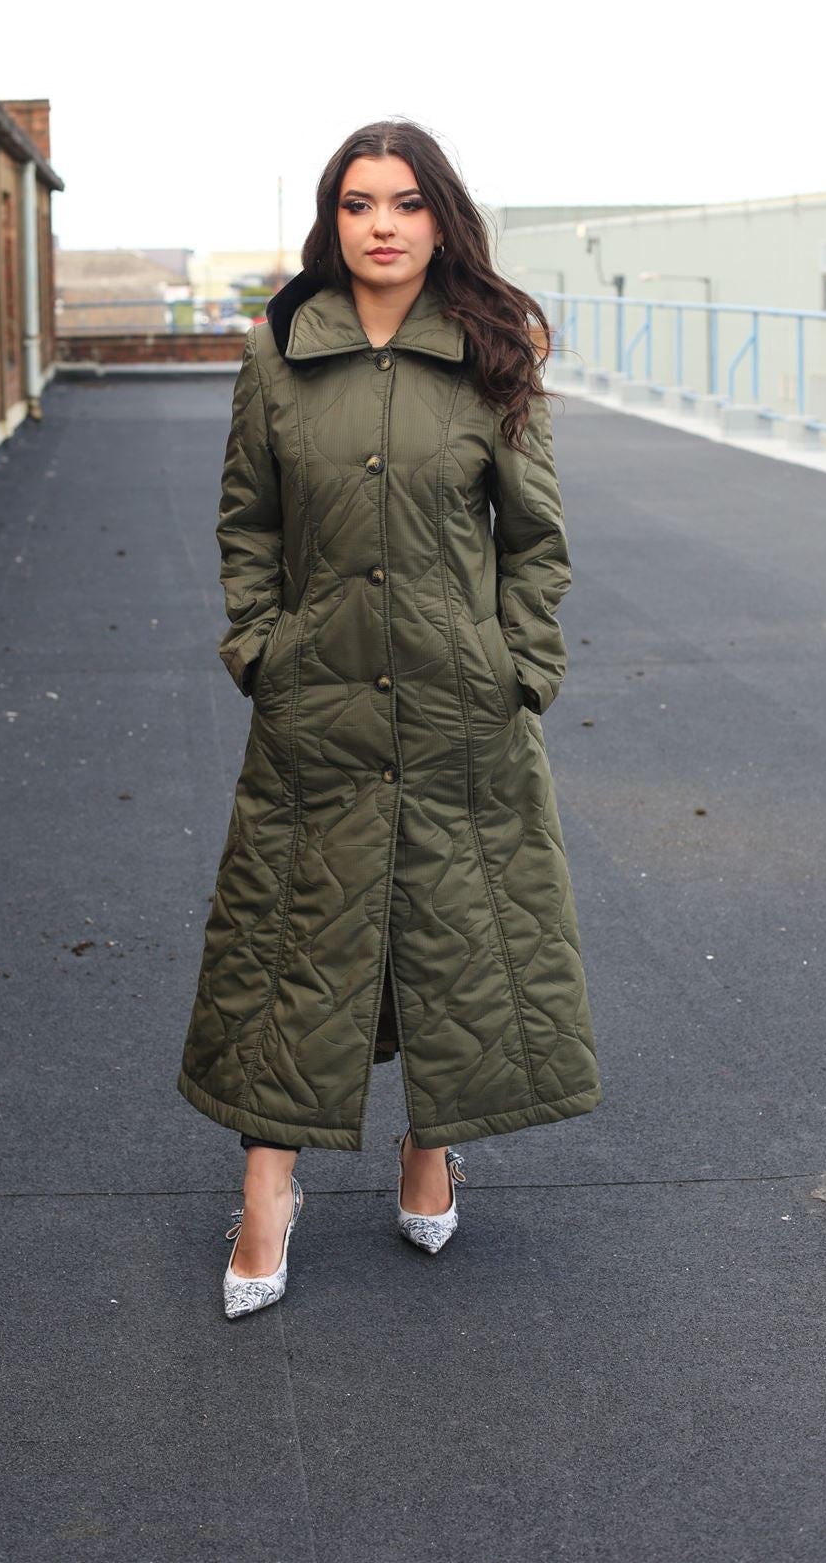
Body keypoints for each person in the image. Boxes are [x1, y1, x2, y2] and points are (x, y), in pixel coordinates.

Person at [177, 119, 601, 1318]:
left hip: (460, 705)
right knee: (285, 946)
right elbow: (246, 522)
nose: (381, 224)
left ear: (439, 219)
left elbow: (537, 540)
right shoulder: (278, 347)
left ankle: (430, 1149)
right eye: (359, 201)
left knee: (450, 935)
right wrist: (262, 648)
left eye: (406, 203)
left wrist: (518, 668)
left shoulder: (491, 348)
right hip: (315, 707)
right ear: (332, 218)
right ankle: (270, 1195)